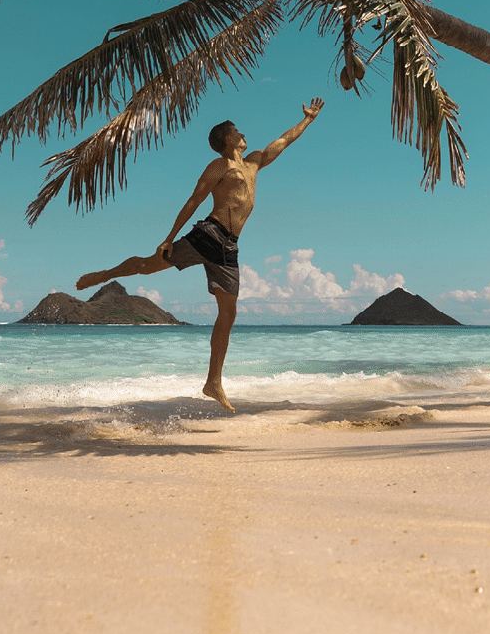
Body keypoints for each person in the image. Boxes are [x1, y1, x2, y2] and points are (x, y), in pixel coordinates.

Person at [76, 100, 325, 413]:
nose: (243, 133)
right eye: (237, 132)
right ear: (227, 140)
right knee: (147, 267)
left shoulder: (254, 163)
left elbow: (284, 140)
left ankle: (213, 382)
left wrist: (308, 120)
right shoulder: (219, 167)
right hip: (208, 235)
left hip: (229, 248)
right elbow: (194, 200)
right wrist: (168, 238)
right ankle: (103, 275)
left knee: (229, 314)